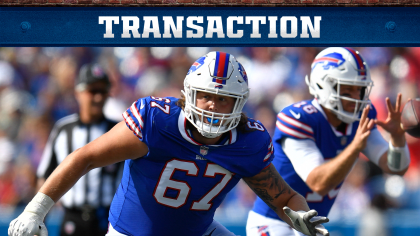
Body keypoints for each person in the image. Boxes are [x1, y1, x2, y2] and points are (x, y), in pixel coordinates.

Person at [8, 51, 329, 236]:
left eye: (224, 99)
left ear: (240, 104)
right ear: (189, 93)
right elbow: (85, 157)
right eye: (206, 96)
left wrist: (298, 216)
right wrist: (36, 210)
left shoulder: (248, 141)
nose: (213, 106)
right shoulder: (155, 122)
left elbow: (283, 196)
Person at [247, 47, 410, 236]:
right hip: (275, 223)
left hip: (312, 227)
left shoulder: (359, 118)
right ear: (323, 85)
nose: (356, 98)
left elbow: (395, 167)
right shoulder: (300, 118)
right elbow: (318, 182)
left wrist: (398, 139)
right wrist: (355, 146)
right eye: (348, 89)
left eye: (360, 89)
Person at [35, 63, 124, 236]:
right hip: (72, 219)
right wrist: (37, 217)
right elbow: (44, 176)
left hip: (108, 219)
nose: (98, 98)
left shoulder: (118, 131)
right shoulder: (63, 129)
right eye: (92, 91)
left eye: (103, 91)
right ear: (78, 93)